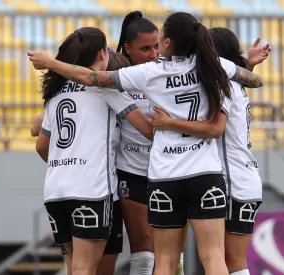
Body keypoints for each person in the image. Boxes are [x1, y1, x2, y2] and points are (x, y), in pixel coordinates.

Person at [28, 12, 263, 275]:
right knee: (214, 256)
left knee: (161, 260)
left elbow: (89, 83)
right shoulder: (215, 67)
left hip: (161, 176)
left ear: (168, 42)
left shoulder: (150, 73)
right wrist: (243, 66)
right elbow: (252, 84)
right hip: (202, 174)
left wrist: (51, 63)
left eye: (159, 39)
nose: (154, 48)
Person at [150, 28, 270, 275]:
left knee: (229, 261)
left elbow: (214, 127)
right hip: (245, 178)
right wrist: (246, 64)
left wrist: (170, 123)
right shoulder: (233, 84)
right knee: (229, 261)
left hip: (231, 182)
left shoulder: (220, 85)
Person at [35, 27, 153, 275]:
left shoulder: (56, 93)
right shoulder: (106, 89)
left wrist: (66, 163)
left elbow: (42, 145)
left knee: (73, 268)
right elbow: (147, 130)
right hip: (91, 190)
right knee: (86, 269)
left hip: (56, 191)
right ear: (102, 53)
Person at [116, 10, 186, 275]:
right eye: (144, 48)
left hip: (167, 172)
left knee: (171, 255)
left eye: (155, 46)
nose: (153, 54)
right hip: (131, 170)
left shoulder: (167, 74)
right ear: (127, 48)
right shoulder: (118, 78)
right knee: (144, 251)